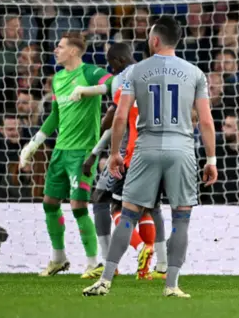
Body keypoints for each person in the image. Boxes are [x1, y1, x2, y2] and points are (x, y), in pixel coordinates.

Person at [83, 16, 218, 297]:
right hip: (181, 149)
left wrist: (114, 154)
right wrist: (211, 159)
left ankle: (105, 280)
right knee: (181, 218)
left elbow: (120, 116)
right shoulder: (195, 73)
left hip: (145, 147)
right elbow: (205, 121)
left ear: (155, 40)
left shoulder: (136, 71)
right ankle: (172, 284)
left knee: (128, 214)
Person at [19, 32, 114, 277]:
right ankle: (58, 258)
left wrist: (87, 90)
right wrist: (33, 144)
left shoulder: (90, 72)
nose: (56, 50)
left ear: (73, 51)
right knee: (50, 203)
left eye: (60, 47)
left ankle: (94, 263)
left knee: (78, 205)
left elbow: (115, 83)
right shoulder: (58, 78)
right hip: (60, 151)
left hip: (82, 152)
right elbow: (55, 116)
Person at [76, 42, 167, 280]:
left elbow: (113, 120)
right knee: (147, 206)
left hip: (129, 153)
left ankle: (127, 255)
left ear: (117, 62)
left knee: (108, 203)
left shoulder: (123, 82)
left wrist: (98, 152)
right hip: (160, 152)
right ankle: (154, 265)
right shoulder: (160, 84)